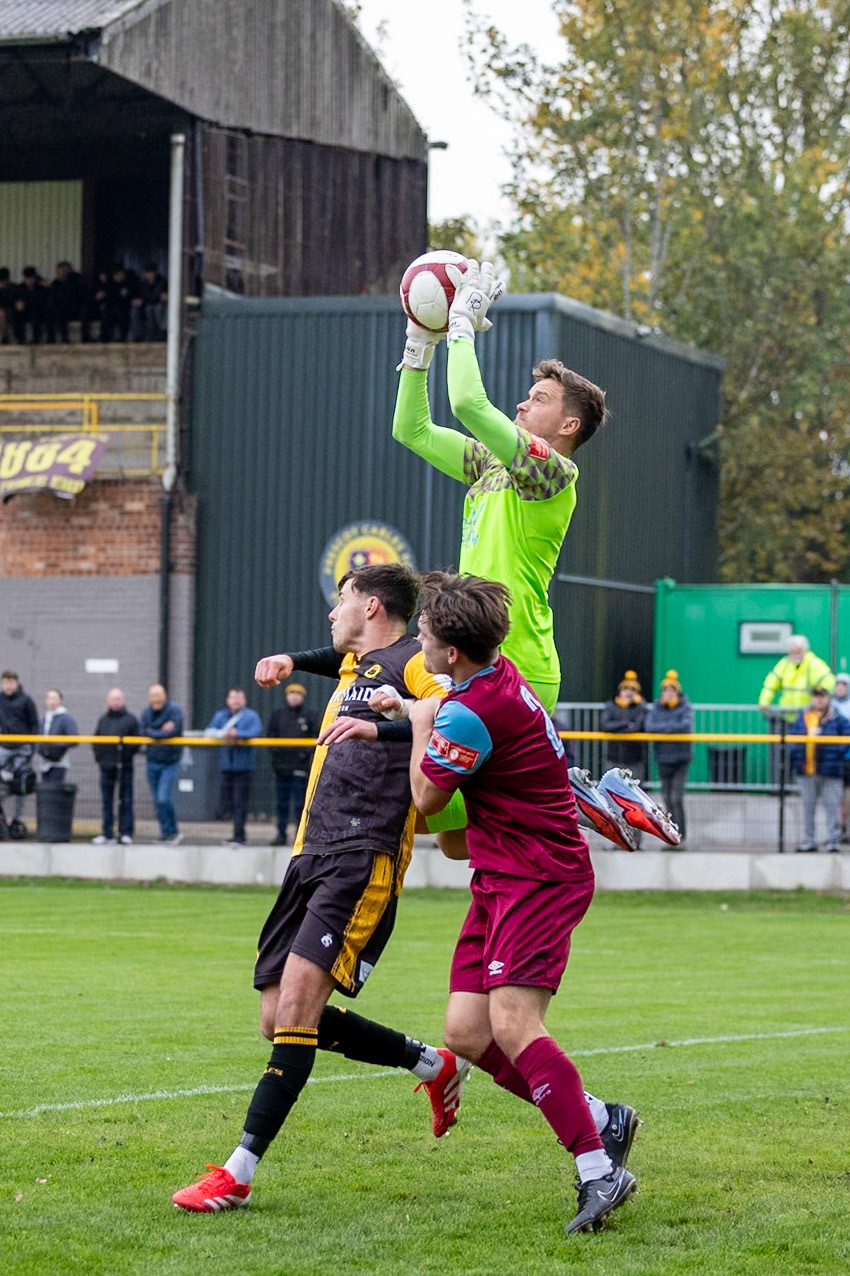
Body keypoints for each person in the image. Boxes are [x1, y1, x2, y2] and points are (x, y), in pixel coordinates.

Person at [172, 563, 455, 1213]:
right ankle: (431, 1064)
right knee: (276, 1017)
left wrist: (381, 726)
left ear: (373, 606)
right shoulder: (359, 664)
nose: (332, 611)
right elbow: (335, 658)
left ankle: (238, 1173)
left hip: (363, 855)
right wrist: (292, 660)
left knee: (296, 1009)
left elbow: (446, 713)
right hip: (310, 853)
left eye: (342, 599)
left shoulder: (414, 660)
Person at [393, 259, 672, 855]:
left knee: (443, 812)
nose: (522, 405)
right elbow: (411, 430)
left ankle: (571, 796)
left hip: (516, 654)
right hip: (478, 649)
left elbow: (468, 403)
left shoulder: (553, 471)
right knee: (454, 841)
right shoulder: (492, 465)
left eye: (537, 398)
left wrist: (460, 324)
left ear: (568, 423)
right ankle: (576, 793)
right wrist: (419, 343)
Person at [411, 573, 639, 1235]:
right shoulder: (493, 679)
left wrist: (420, 724)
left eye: (424, 633)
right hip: (501, 875)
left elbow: (425, 801)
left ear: (452, 651)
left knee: (513, 1023)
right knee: (466, 1032)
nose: (419, 641)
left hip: (538, 877)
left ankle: (598, 1170)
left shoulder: (467, 712)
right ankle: (599, 1117)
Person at [787, 687, 850, 853]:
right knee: (808, 808)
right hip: (807, 770)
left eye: (822, 696)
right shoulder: (804, 718)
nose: (819, 699)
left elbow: (846, 739)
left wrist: (833, 754)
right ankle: (809, 841)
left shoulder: (838, 719)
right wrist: (799, 756)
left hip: (831, 771)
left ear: (828, 698)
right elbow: (793, 741)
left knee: (832, 808)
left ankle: (833, 841)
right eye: (816, 696)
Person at [206, 688, 263, 846]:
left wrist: (238, 734)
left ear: (245, 700)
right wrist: (225, 734)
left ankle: (239, 836)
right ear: (227, 700)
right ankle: (236, 834)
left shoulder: (251, 716)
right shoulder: (221, 715)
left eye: (239, 697)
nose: (236, 700)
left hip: (243, 767)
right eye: (233, 697)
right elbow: (209, 731)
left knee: (240, 802)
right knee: (229, 802)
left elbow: (256, 731)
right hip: (226, 766)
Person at [599, 672, 648, 848]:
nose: (629, 692)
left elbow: (639, 726)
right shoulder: (611, 707)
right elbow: (606, 725)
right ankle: (615, 839)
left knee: (635, 802)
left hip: (634, 760)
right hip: (614, 760)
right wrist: (627, 725)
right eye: (626, 689)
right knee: (611, 801)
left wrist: (621, 727)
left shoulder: (641, 708)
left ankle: (636, 841)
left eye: (632, 689)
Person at [266, 682, 319, 846]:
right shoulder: (278, 715)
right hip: (281, 766)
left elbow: (316, 736)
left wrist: (305, 754)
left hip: (300, 766)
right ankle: (281, 834)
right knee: (281, 803)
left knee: (300, 803)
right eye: (291, 694)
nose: (294, 697)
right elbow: (270, 736)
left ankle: (300, 835)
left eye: (298, 695)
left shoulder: (309, 715)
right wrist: (276, 754)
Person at [645, 671, 693, 845]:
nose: (669, 694)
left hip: (681, 759)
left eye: (672, 691)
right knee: (666, 799)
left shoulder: (684, 707)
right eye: (666, 691)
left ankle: (681, 836)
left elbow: (685, 725)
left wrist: (663, 729)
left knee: (676, 798)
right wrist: (670, 729)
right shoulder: (657, 708)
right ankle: (671, 835)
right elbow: (650, 726)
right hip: (663, 758)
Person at [91, 688, 139, 846]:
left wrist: (124, 756)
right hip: (106, 767)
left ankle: (126, 832)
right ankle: (107, 833)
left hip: (125, 768)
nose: (116, 702)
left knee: (126, 800)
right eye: (113, 699)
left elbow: (137, 742)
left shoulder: (130, 720)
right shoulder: (103, 720)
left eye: (118, 699)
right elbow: (96, 740)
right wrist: (100, 759)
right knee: (107, 801)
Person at [140, 684, 184, 844]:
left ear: (164, 695)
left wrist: (153, 732)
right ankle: (165, 833)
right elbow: (143, 731)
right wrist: (161, 731)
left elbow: (174, 730)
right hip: (152, 761)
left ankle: (173, 831)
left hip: (170, 762)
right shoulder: (146, 712)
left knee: (163, 798)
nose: (156, 699)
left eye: (158, 695)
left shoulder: (174, 710)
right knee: (157, 801)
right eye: (153, 696)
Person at [758, 634, 834, 720]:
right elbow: (771, 684)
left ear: (805, 650)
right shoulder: (784, 664)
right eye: (792, 652)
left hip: (808, 716)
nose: (795, 654)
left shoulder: (814, 664)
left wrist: (821, 703)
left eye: (798, 651)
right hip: (786, 715)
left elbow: (828, 684)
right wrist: (764, 701)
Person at [0, 669, 38, 840]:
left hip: (22, 749)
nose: (8, 685)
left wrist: (32, 748)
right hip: (3, 748)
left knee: (21, 786)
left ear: (16, 683)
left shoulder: (26, 700)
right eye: (5, 682)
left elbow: (34, 724)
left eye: (11, 682)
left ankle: (17, 820)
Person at [37, 689, 78, 787]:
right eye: (49, 698)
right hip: (44, 761)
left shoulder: (65, 718)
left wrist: (56, 748)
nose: (51, 701)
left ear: (60, 700)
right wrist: (40, 749)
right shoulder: (46, 717)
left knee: (54, 790)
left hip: (59, 762)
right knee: (45, 789)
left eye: (54, 698)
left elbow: (74, 739)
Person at [831, 672, 850, 842]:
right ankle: (840, 829)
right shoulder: (831, 706)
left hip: (847, 756)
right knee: (839, 796)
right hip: (838, 757)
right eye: (838, 685)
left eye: (844, 685)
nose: (841, 688)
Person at [11, 266, 49, 344]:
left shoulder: (40, 289)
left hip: (37, 311)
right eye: (28, 278)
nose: (30, 281)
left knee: (35, 314)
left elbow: (42, 301)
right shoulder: (20, 288)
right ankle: (20, 338)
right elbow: (15, 299)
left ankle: (36, 338)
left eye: (32, 278)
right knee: (17, 315)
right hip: (24, 312)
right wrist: (17, 304)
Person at [131, 262, 167, 341]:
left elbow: (161, 296)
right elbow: (140, 296)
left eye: (151, 272)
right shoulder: (142, 284)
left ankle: (160, 336)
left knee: (155, 309)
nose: (149, 275)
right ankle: (140, 337)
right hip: (146, 305)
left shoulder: (162, 282)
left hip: (159, 305)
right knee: (138, 310)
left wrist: (145, 300)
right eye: (147, 272)